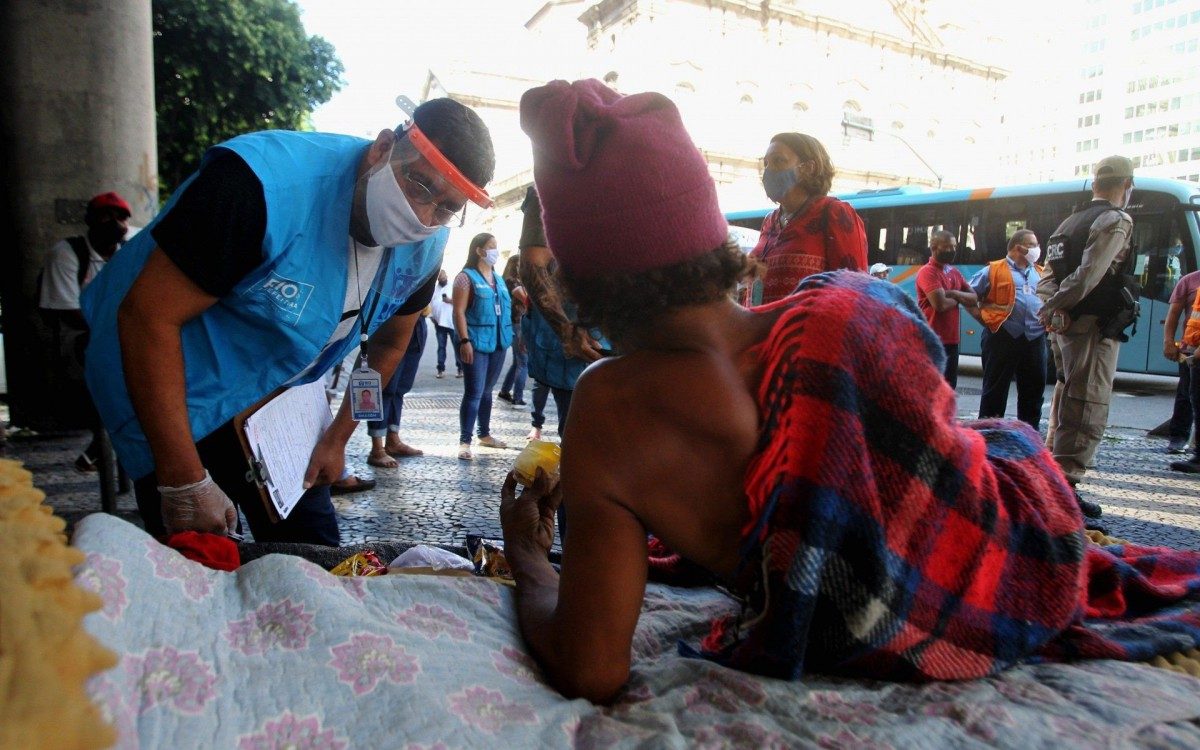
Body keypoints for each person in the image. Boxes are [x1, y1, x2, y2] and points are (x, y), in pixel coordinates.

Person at [500, 78, 1131, 705]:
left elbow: (591, 668)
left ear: (580, 276)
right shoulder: (852, 307)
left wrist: (527, 553)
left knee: (1000, 439)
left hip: (868, 620)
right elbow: (936, 461)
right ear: (710, 232)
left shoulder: (610, 408)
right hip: (1022, 561)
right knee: (1006, 438)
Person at [81, 98, 496, 544]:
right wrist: (183, 480)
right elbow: (148, 317)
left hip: (280, 403)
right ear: (382, 149)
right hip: (178, 382)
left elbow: (389, 347)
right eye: (420, 184)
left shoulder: (427, 246)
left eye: (447, 208)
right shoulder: (257, 184)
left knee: (313, 548)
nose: (424, 216)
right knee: (196, 555)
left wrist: (338, 436)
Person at [1037, 156, 1136, 518]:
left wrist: (1053, 308)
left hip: (1066, 324)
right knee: (1086, 402)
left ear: (1095, 184)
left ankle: (1054, 479)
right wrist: (1057, 306)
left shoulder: (1068, 222)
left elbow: (1048, 278)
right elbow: (1089, 275)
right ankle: (1066, 487)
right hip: (1092, 325)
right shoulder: (1116, 220)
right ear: (1127, 185)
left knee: (1066, 396)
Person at [39, 192, 132, 473]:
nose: (114, 223)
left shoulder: (130, 248)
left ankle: (103, 449)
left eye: (121, 217)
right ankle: (103, 448)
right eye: (106, 216)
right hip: (80, 336)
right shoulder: (68, 253)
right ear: (90, 220)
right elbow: (68, 311)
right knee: (122, 381)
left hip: (120, 335)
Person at [517, 187, 606, 444]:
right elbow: (533, 265)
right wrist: (566, 330)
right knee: (581, 435)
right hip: (580, 346)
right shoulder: (554, 182)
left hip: (630, 342)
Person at [744, 132, 866, 305]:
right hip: (759, 322)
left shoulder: (834, 213)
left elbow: (855, 290)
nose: (769, 171)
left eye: (778, 160)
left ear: (808, 168)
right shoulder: (770, 221)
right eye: (766, 163)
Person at [969, 229, 1047, 429]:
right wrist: (983, 319)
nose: (1037, 249)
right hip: (1002, 338)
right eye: (1033, 245)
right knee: (995, 392)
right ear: (1018, 247)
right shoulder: (993, 270)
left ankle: (1028, 436)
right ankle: (990, 437)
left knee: (1033, 392)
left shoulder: (1040, 272)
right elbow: (968, 295)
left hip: (1034, 338)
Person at [453, 233, 513, 460]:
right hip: (475, 342)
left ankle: (484, 434)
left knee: (487, 391)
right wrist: (464, 340)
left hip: (498, 342)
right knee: (474, 392)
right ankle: (464, 442)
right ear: (479, 250)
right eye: (491, 246)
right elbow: (458, 312)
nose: (495, 251)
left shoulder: (498, 278)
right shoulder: (465, 278)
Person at [365, 307, 429, 467]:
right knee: (383, 386)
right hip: (392, 316)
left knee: (401, 387)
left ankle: (393, 439)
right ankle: (377, 448)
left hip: (418, 318)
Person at [915, 230, 977, 387]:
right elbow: (940, 305)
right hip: (932, 339)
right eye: (947, 247)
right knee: (932, 388)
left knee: (949, 387)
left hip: (952, 340)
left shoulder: (954, 272)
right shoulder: (927, 272)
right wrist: (960, 299)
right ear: (934, 247)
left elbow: (974, 298)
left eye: (954, 246)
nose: (952, 250)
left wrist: (954, 294)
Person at [1165, 267, 1200, 471]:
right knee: (1188, 395)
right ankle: (1179, 438)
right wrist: (1168, 342)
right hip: (1190, 352)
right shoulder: (1189, 281)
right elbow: (1174, 313)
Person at [497, 255, 530, 407]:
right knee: (523, 361)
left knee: (517, 361)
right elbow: (525, 299)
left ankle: (504, 391)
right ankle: (518, 397)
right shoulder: (512, 281)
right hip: (517, 322)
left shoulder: (508, 281)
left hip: (515, 322)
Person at [430, 269, 463, 379]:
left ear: (446, 276)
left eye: (443, 277)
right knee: (441, 347)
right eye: (439, 278)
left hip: (451, 322)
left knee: (457, 346)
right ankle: (440, 369)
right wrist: (432, 317)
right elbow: (430, 304)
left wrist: (449, 300)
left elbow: (460, 301)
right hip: (439, 323)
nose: (441, 279)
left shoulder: (453, 286)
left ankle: (460, 369)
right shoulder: (435, 289)